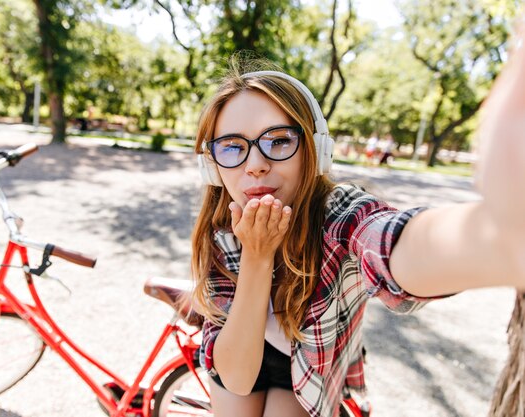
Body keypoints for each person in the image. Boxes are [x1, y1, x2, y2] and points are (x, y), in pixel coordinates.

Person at [189, 30, 525, 417]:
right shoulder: (219, 232)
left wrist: (500, 236)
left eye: (278, 140)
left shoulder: (339, 213)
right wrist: (257, 256)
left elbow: (390, 243)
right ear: (212, 167)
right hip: (236, 351)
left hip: (309, 367)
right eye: (232, 146)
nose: (255, 164)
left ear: (314, 150)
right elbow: (237, 377)